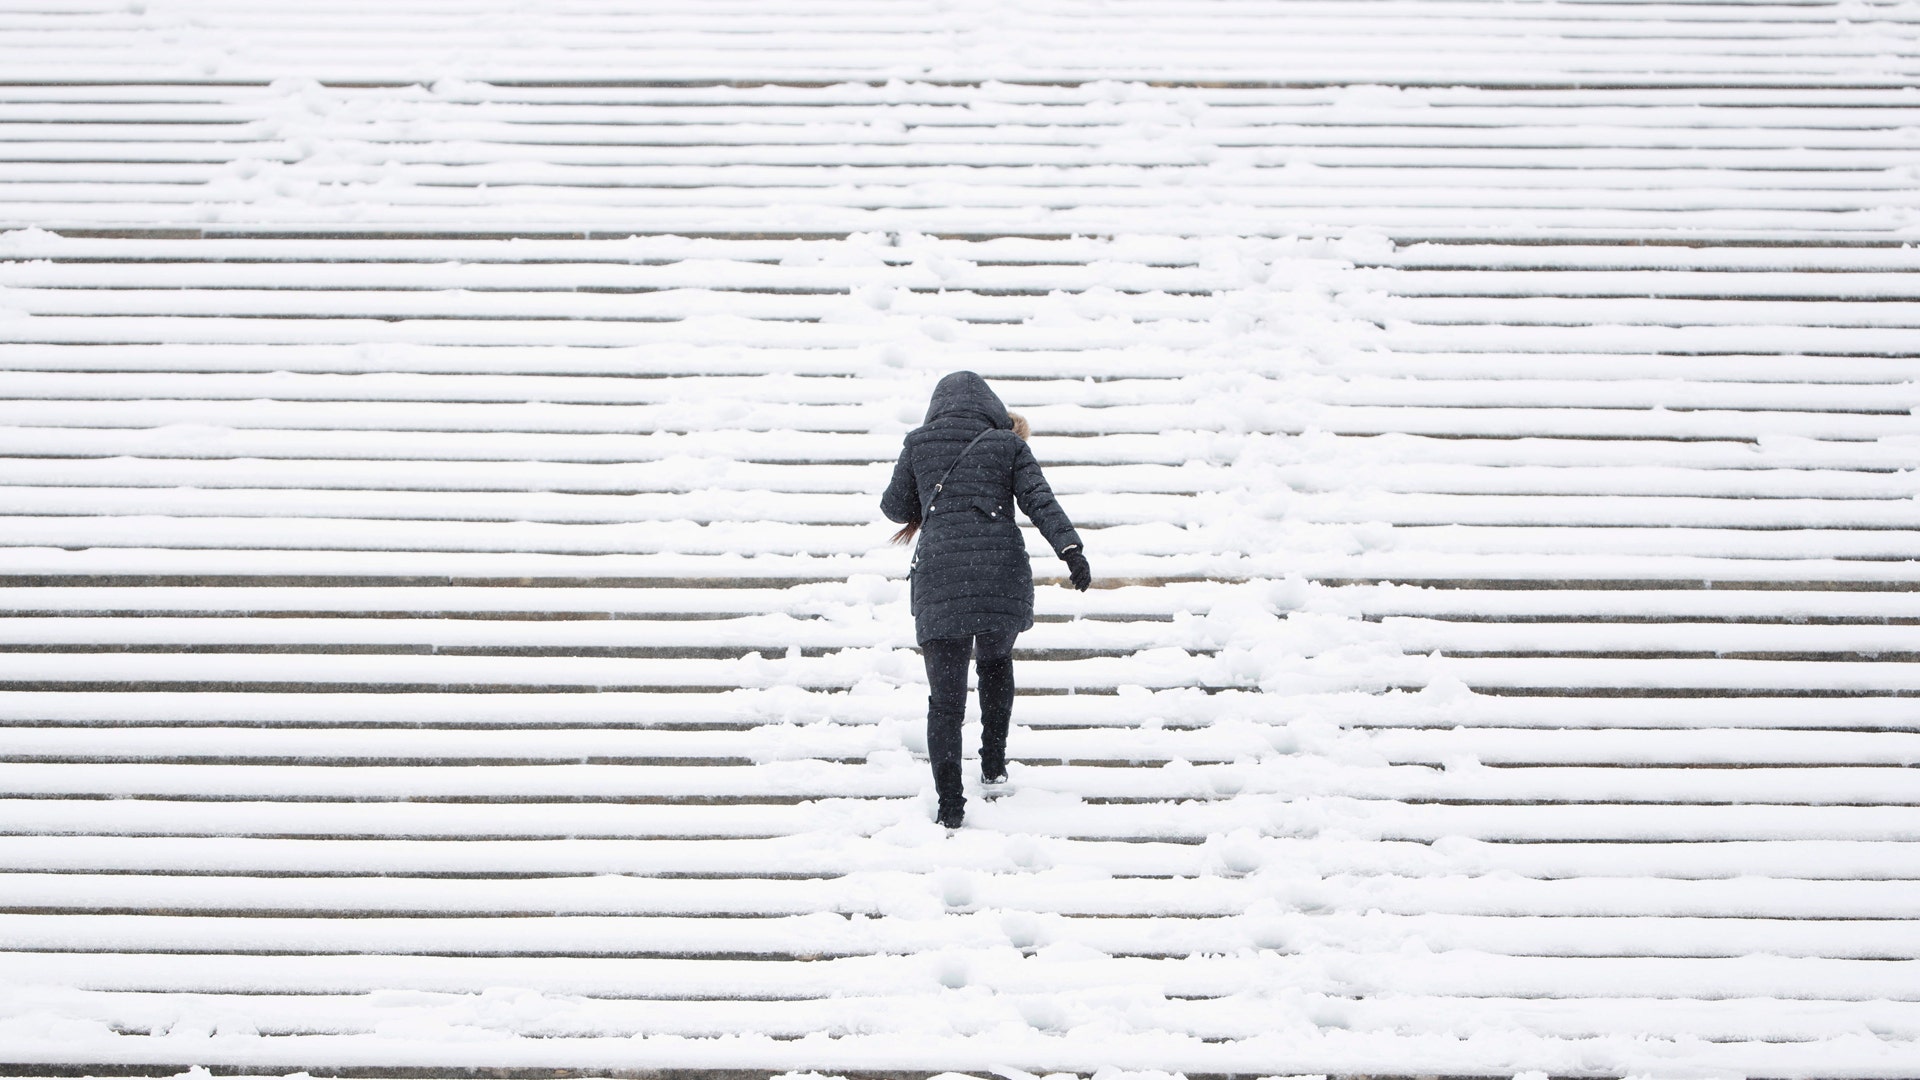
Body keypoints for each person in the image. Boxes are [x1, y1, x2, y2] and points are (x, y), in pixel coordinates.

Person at [881, 371, 1091, 829]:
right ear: (991, 406)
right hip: (998, 575)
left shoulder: (918, 443)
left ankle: (950, 803)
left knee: (946, 699)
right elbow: (1040, 501)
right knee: (996, 662)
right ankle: (993, 764)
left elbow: (894, 508)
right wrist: (1071, 550)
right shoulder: (1008, 444)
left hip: (941, 581)